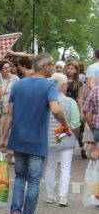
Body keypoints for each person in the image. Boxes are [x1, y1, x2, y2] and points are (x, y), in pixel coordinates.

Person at [0, 53, 69, 214]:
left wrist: (2, 139)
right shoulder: (49, 86)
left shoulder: (19, 84)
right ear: (45, 67)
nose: (53, 68)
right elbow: (55, 109)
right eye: (52, 65)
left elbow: (9, 115)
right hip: (37, 142)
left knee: (20, 177)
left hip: (18, 140)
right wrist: (64, 123)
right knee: (34, 181)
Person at [44, 73, 81, 207]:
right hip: (66, 137)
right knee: (65, 168)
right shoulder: (71, 102)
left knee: (51, 166)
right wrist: (74, 137)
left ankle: (49, 195)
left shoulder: (47, 101)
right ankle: (63, 197)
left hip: (50, 138)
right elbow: (76, 123)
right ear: (63, 86)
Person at [0, 59, 19, 163]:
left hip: (12, 109)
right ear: (0, 70)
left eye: (8, 67)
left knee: (12, 132)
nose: (7, 69)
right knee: (1, 132)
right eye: (4, 68)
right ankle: (2, 153)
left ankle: (13, 154)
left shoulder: (15, 79)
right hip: (1, 109)